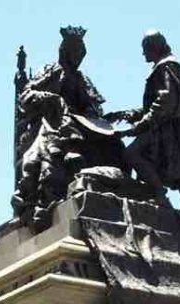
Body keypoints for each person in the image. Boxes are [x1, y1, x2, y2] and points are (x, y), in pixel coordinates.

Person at [11, 26, 123, 231]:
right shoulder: (51, 71)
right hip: (50, 124)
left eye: (79, 54)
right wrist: (50, 99)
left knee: (113, 144)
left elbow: (93, 108)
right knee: (48, 157)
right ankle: (44, 203)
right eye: (73, 52)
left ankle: (108, 186)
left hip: (79, 127)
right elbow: (25, 96)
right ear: (64, 51)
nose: (76, 57)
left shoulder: (81, 78)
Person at [108, 31, 180, 218]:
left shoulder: (167, 67)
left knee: (133, 153)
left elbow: (165, 101)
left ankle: (158, 195)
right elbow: (156, 104)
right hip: (171, 130)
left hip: (170, 132)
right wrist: (127, 114)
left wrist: (138, 127)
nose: (143, 54)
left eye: (145, 49)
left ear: (154, 47)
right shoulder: (170, 67)